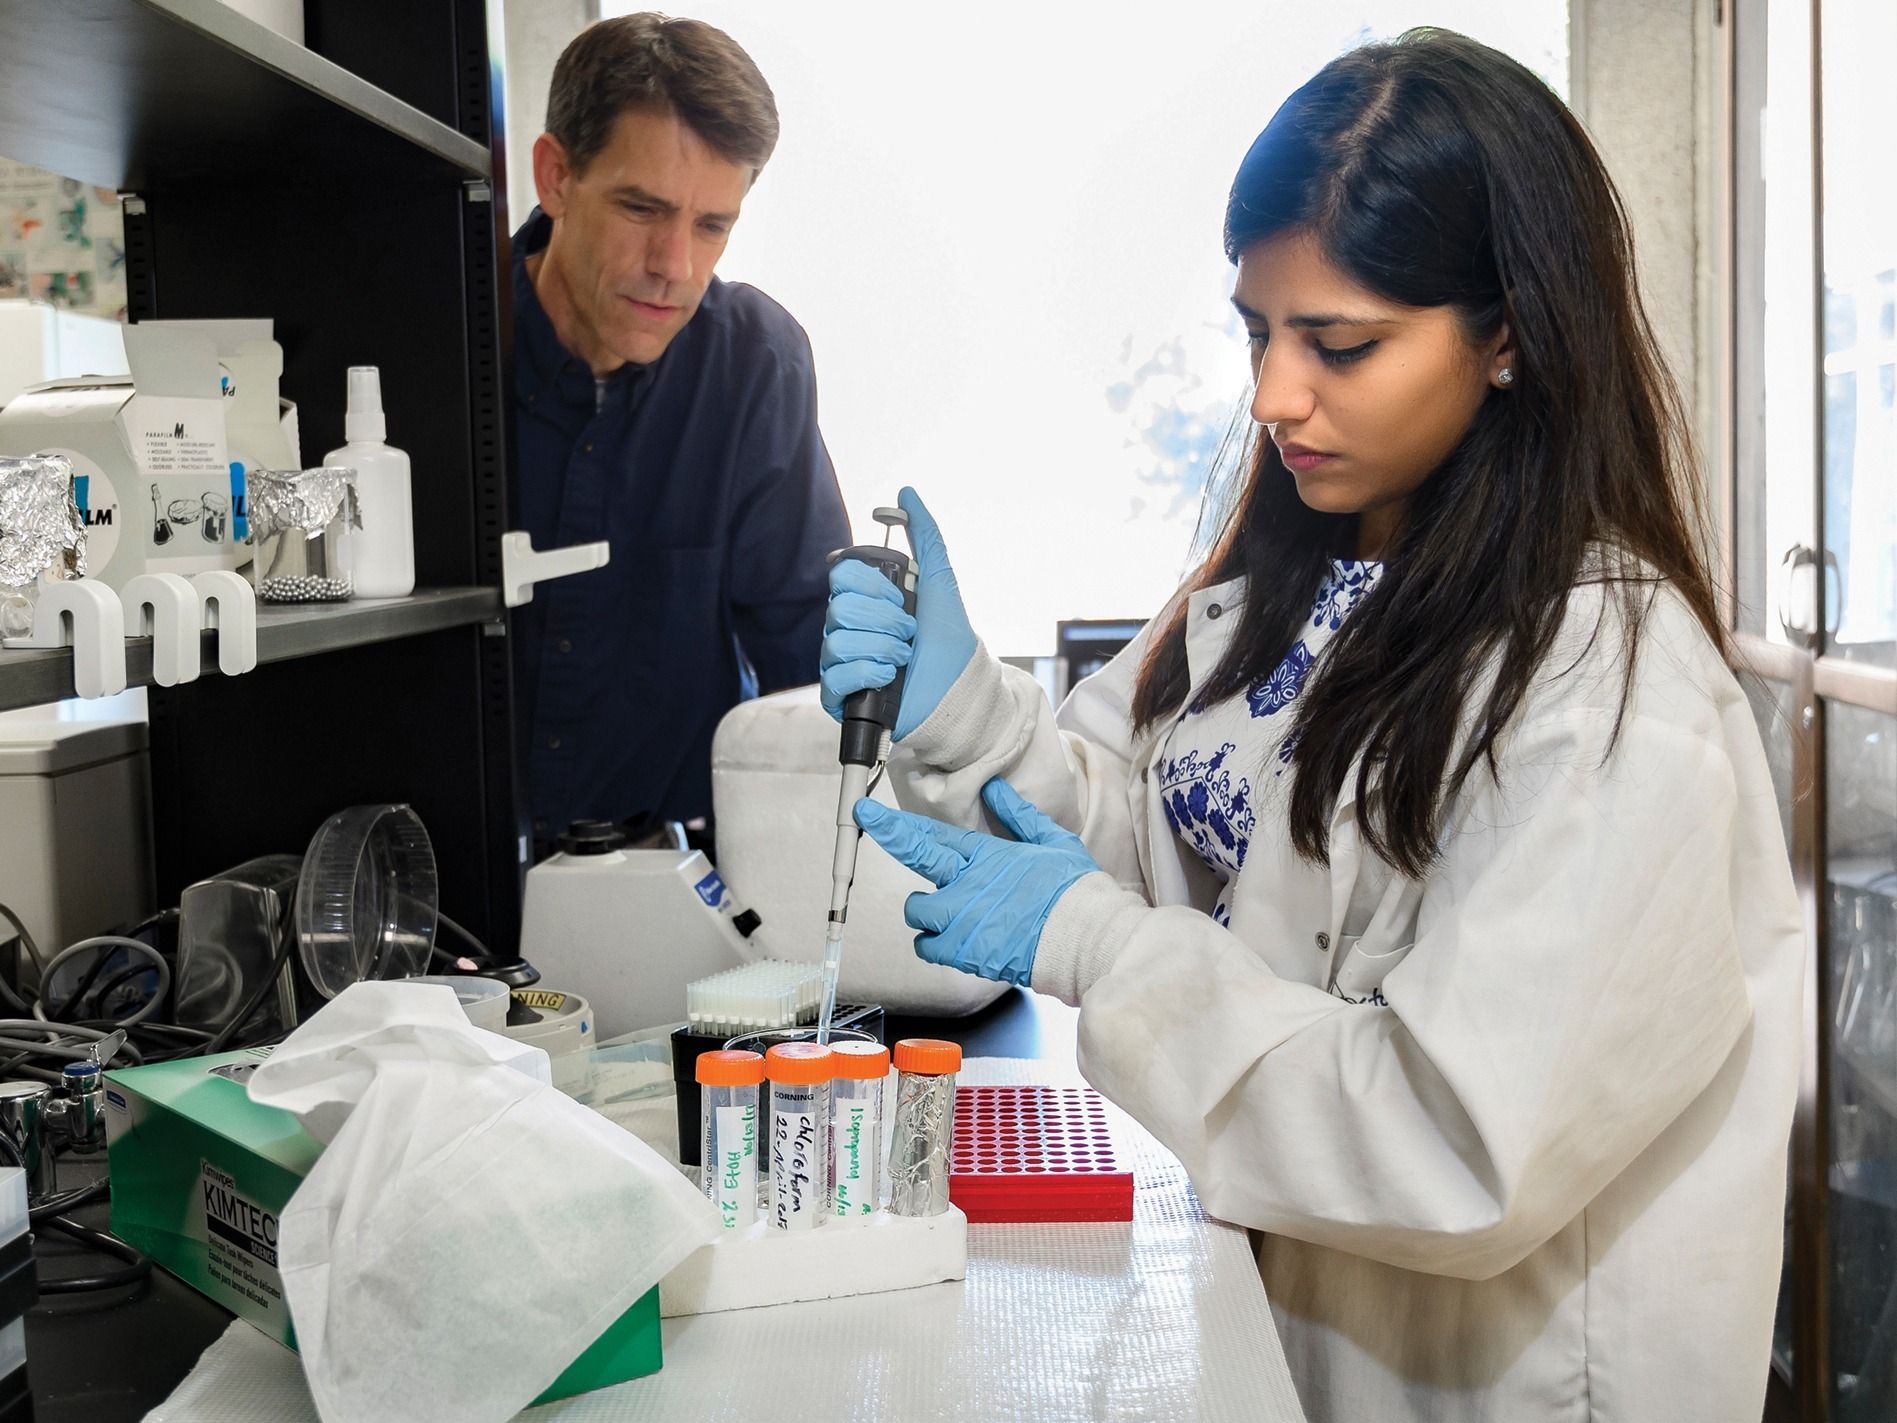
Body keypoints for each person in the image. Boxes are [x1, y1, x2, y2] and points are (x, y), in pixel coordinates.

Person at [819, 29, 1800, 1423]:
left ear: (1509, 330)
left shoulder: (1607, 684)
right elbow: (1145, 833)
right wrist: (969, 712)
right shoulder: (1294, 574)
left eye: (1340, 343)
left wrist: (1100, 944)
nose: (1276, 395)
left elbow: (1451, 1139)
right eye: (1257, 331)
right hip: (1285, 1334)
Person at [513, 13, 849, 844]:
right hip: (432, 897)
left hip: (670, 885)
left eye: (712, 226)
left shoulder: (756, 365)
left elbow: (806, 660)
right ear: (556, 177)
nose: (676, 266)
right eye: (642, 208)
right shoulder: (433, 343)